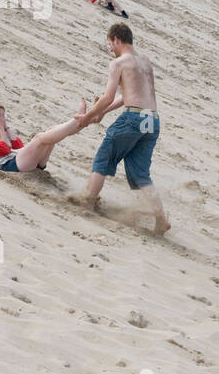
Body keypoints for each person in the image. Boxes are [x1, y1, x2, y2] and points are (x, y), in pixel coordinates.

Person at [70, 23, 168, 234]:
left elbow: (108, 96)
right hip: (152, 120)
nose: (110, 48)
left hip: (133, 118)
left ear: (116, 39)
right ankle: (161, 219)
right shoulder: (145, 61)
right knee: (141, 174)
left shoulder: (118, 63)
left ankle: (87, 203)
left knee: (103, 158)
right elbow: (128, 95)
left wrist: (87, 117)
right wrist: (101, 113)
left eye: (109, 44)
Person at [0, 101, 87, 173]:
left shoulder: (2, 133)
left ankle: (80, 123)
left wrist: (6, 129)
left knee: (51, 131)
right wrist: (1, 128)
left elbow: (19, 146)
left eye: (3, 116)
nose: (1, 119)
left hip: (25, 162)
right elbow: (3, 150)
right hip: (7, 166)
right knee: (39, 138)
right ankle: (77, 120)